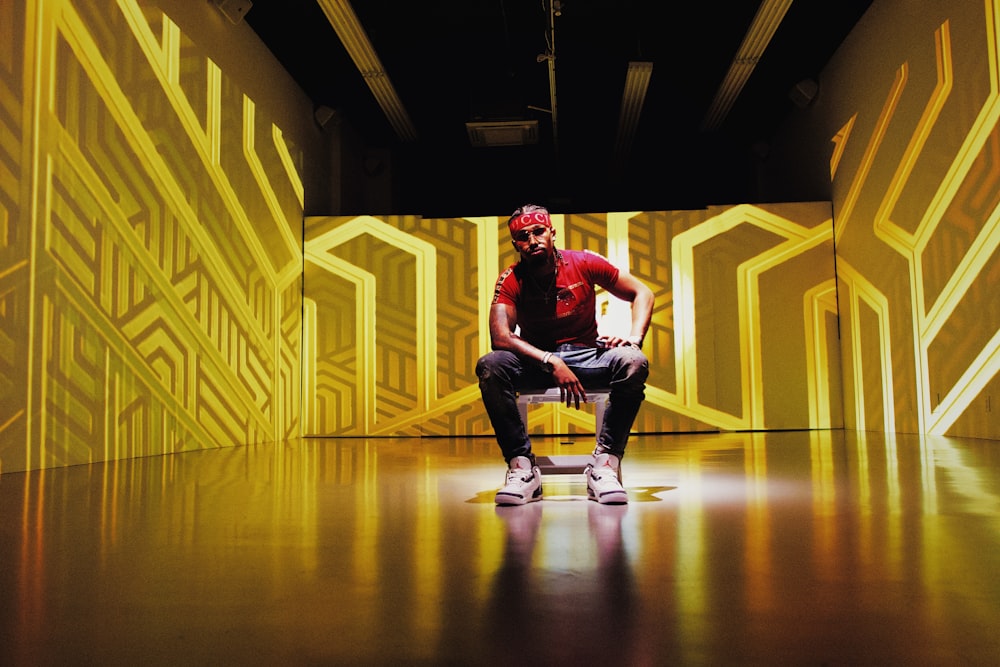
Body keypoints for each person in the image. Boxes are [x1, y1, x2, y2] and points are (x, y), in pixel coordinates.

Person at [476, 204, 654, 505]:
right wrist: (550, 360)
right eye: (523, 236)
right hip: (537, 362)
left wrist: (633, 339)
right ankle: (522, 467)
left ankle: (605, 464)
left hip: (587, 355)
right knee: (491, 366)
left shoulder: (583, 262)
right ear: (515, 244)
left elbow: (642, 293)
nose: (532, 241)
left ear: (552, 233)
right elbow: (501, 337)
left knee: (633, 362)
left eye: (538, 232)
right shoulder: (510, 278)